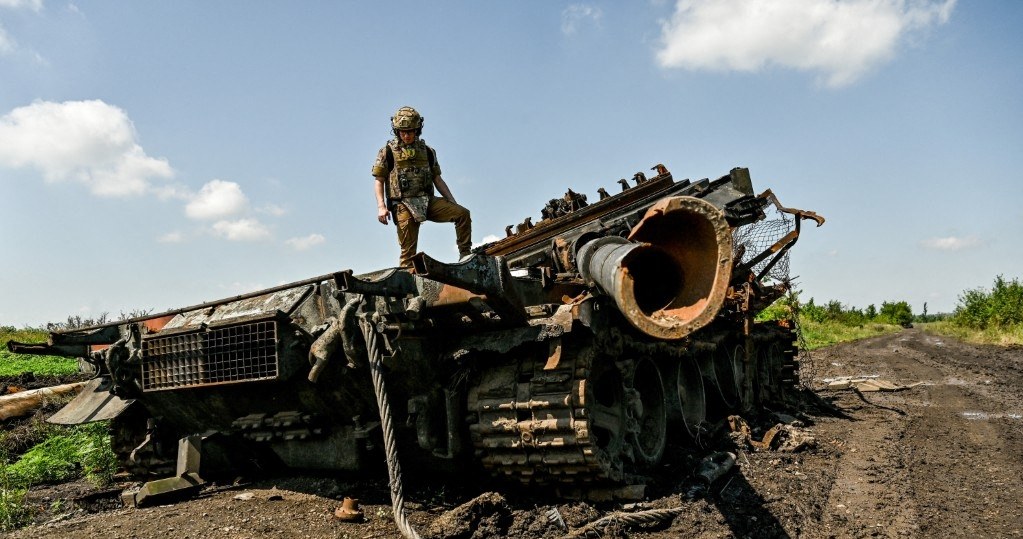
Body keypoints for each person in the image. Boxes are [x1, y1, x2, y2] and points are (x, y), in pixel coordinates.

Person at [372, 106, 472, 268]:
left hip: (427, 201)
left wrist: (452, 201)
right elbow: (379, 180)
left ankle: (465, 254)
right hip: (403, 204)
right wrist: (381, 206)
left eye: (410, 131)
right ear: (396, 131)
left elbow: (437, 179)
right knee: (408, 253)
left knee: (462, 214)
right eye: (402, 131)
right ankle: (406, 288)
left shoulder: (427, 151)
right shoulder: (387, 152)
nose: (406, 135)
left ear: (417, 130)